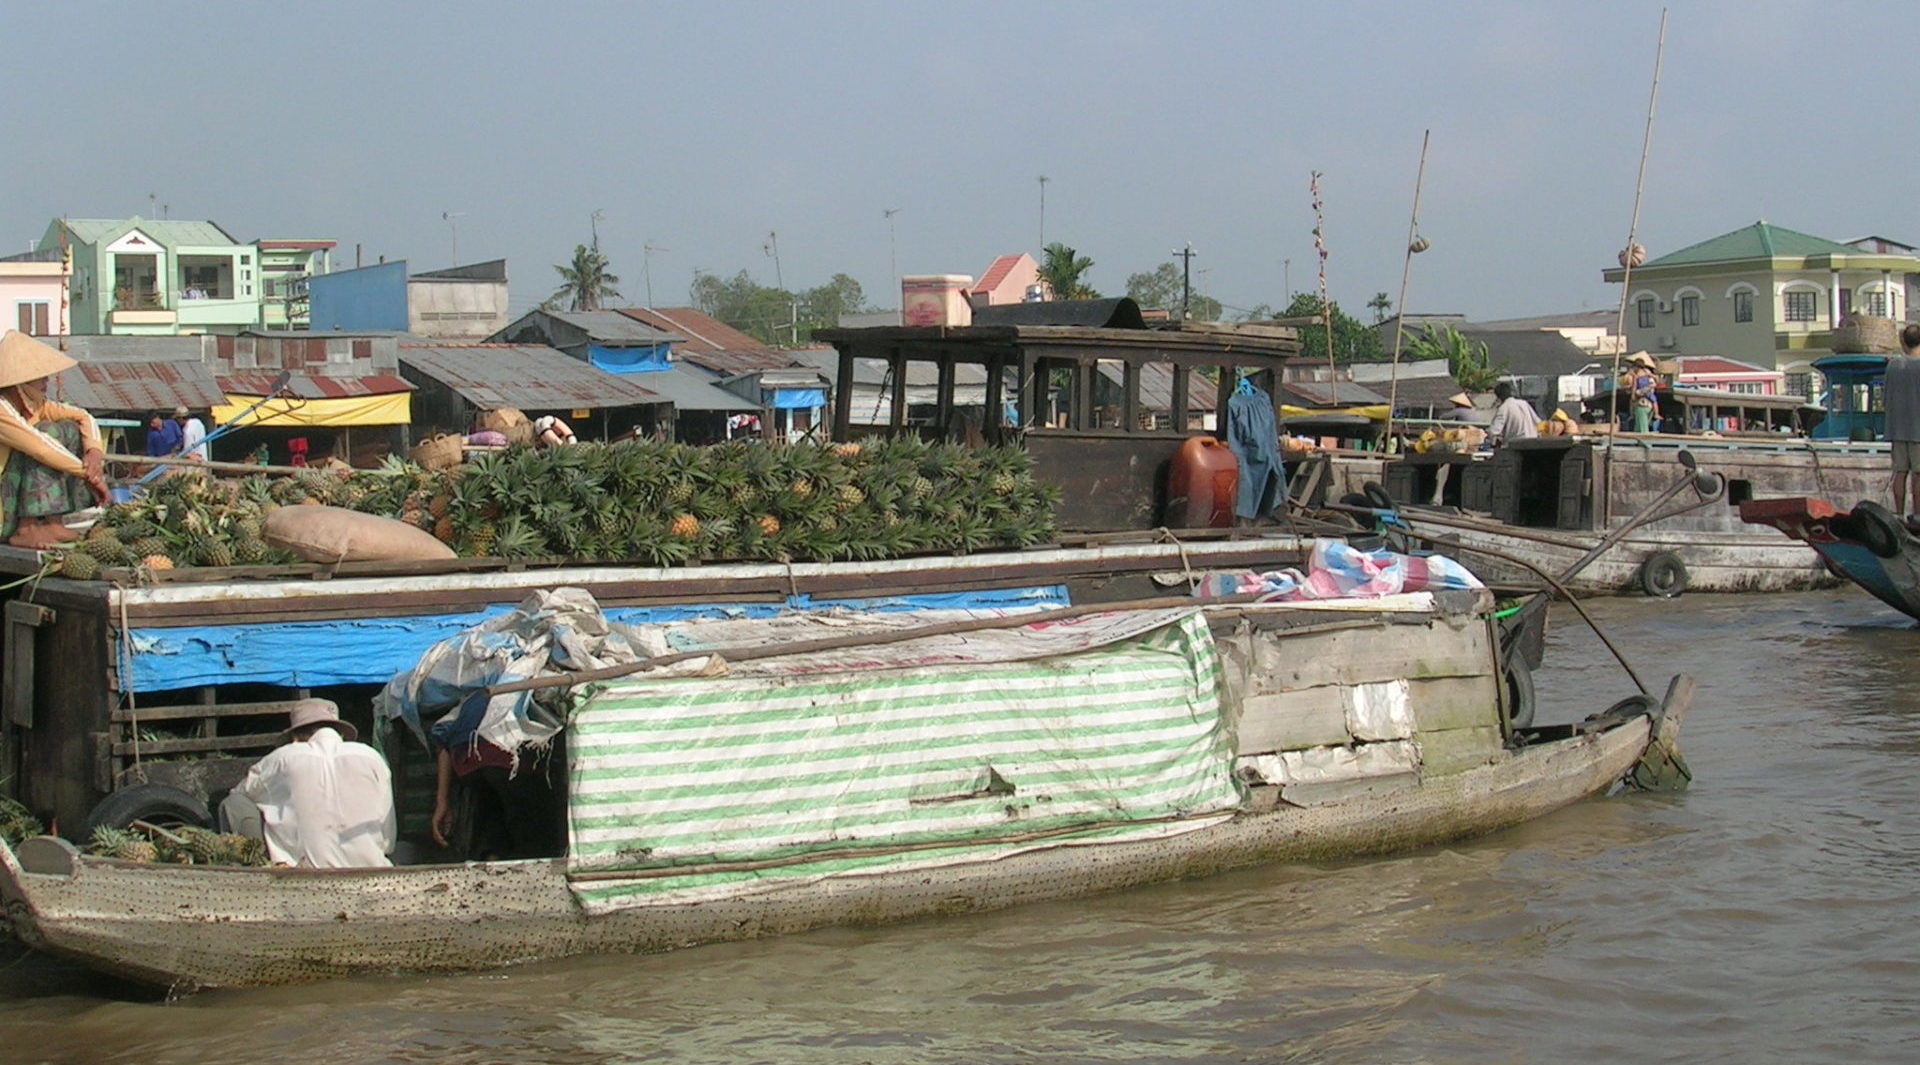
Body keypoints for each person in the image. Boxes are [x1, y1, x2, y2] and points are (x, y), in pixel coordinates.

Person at [228, 699, 395, 868]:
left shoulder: (283, 758)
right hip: (371, 871)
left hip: (299, 873)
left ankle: (256, 872)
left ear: (295, 737)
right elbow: (388, 841)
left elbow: (239, 794)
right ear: (340, 734)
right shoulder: (371, 757)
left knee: (234, 803)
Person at [0, 331, 110, 548]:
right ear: (20, 383)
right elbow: (40, 447)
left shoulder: (38, 406)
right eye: (40, 376)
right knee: (46, 434)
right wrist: (91, 476)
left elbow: (82, 416)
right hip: (3, 508)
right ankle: (28, 528)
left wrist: (94, 453)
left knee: (68, 428)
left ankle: (53, 521)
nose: (46, 381)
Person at [430, 691, 565, 860]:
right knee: (527, 811)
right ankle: (532, 859)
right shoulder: (527, 689)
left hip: (467, 762)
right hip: (508, 758)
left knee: (490, 801)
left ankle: (492, 857)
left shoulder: (468, 701)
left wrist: (442, 802)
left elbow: (441, 742)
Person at [1886, 324, 1920, 515]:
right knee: (1918, 474)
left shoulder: (1893, 365)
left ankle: (1898, 514)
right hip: (1918, 429)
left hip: (1897, 428)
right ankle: (1917, 515)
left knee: (1899, 473)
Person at [1486, 381, 1540, 446]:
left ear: (1498, 397)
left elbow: (1493, 431)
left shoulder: (1504, 407)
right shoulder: (1524, 403)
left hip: (1516, 445)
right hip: (1533, 442)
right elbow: (1538, 422)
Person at [1626, 352, 1660, 433]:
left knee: (1642, 429)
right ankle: (1656, 413)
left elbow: (1634, 389)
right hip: (1646, 402)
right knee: (1639, 427)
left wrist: (1633, 393)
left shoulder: (1638, 375)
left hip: (1642, 404)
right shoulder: (1646, 373)